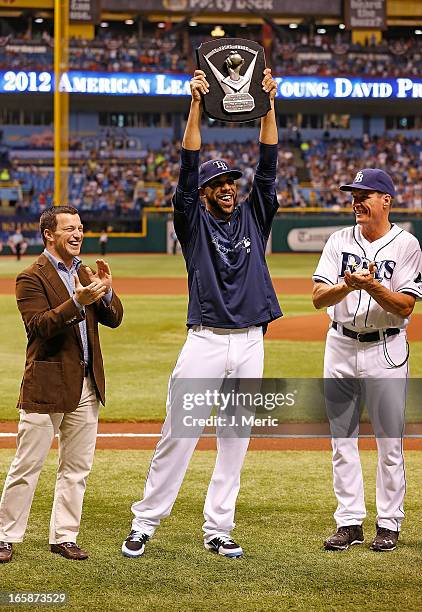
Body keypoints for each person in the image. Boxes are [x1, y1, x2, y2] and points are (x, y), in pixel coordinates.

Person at [122, 68, 282, 559]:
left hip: (251, 341)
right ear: (206, 193)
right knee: (180, 434)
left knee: (234, 440)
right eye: (220, 183)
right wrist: (194, 105)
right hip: (207, 341)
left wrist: (268, 103)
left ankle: (219, 528)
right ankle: (145, 522)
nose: (229, 186)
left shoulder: (255, 214)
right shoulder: (191, 221)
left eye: (232, 180)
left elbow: (269, 161)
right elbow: (188, 166)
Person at [0, 205, 123, 563]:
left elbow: (113, 319)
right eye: (69, 228)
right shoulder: (30, 277)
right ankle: (5, 536)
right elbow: (39, 326)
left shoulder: (83, 271)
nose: (78, 234)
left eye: (80, 227)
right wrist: (76, 302)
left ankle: (64, 536)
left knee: (76, 468)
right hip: (47, 383)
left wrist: (108, 293)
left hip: (87, 383)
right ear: (48, 235)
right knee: (28, 464)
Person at [312, 168, 422, 552]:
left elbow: (405, 304)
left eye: (366, 194)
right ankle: (349, 522)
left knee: (389, 441)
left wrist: (372, 285)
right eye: (353, 195)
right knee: (341, 438)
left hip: (385, 349)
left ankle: (389, 523)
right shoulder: (338, 239)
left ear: (386, 200)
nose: (356, 201)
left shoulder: (406, 244)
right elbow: (318, 297)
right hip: (339, 345)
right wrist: (347, 284)